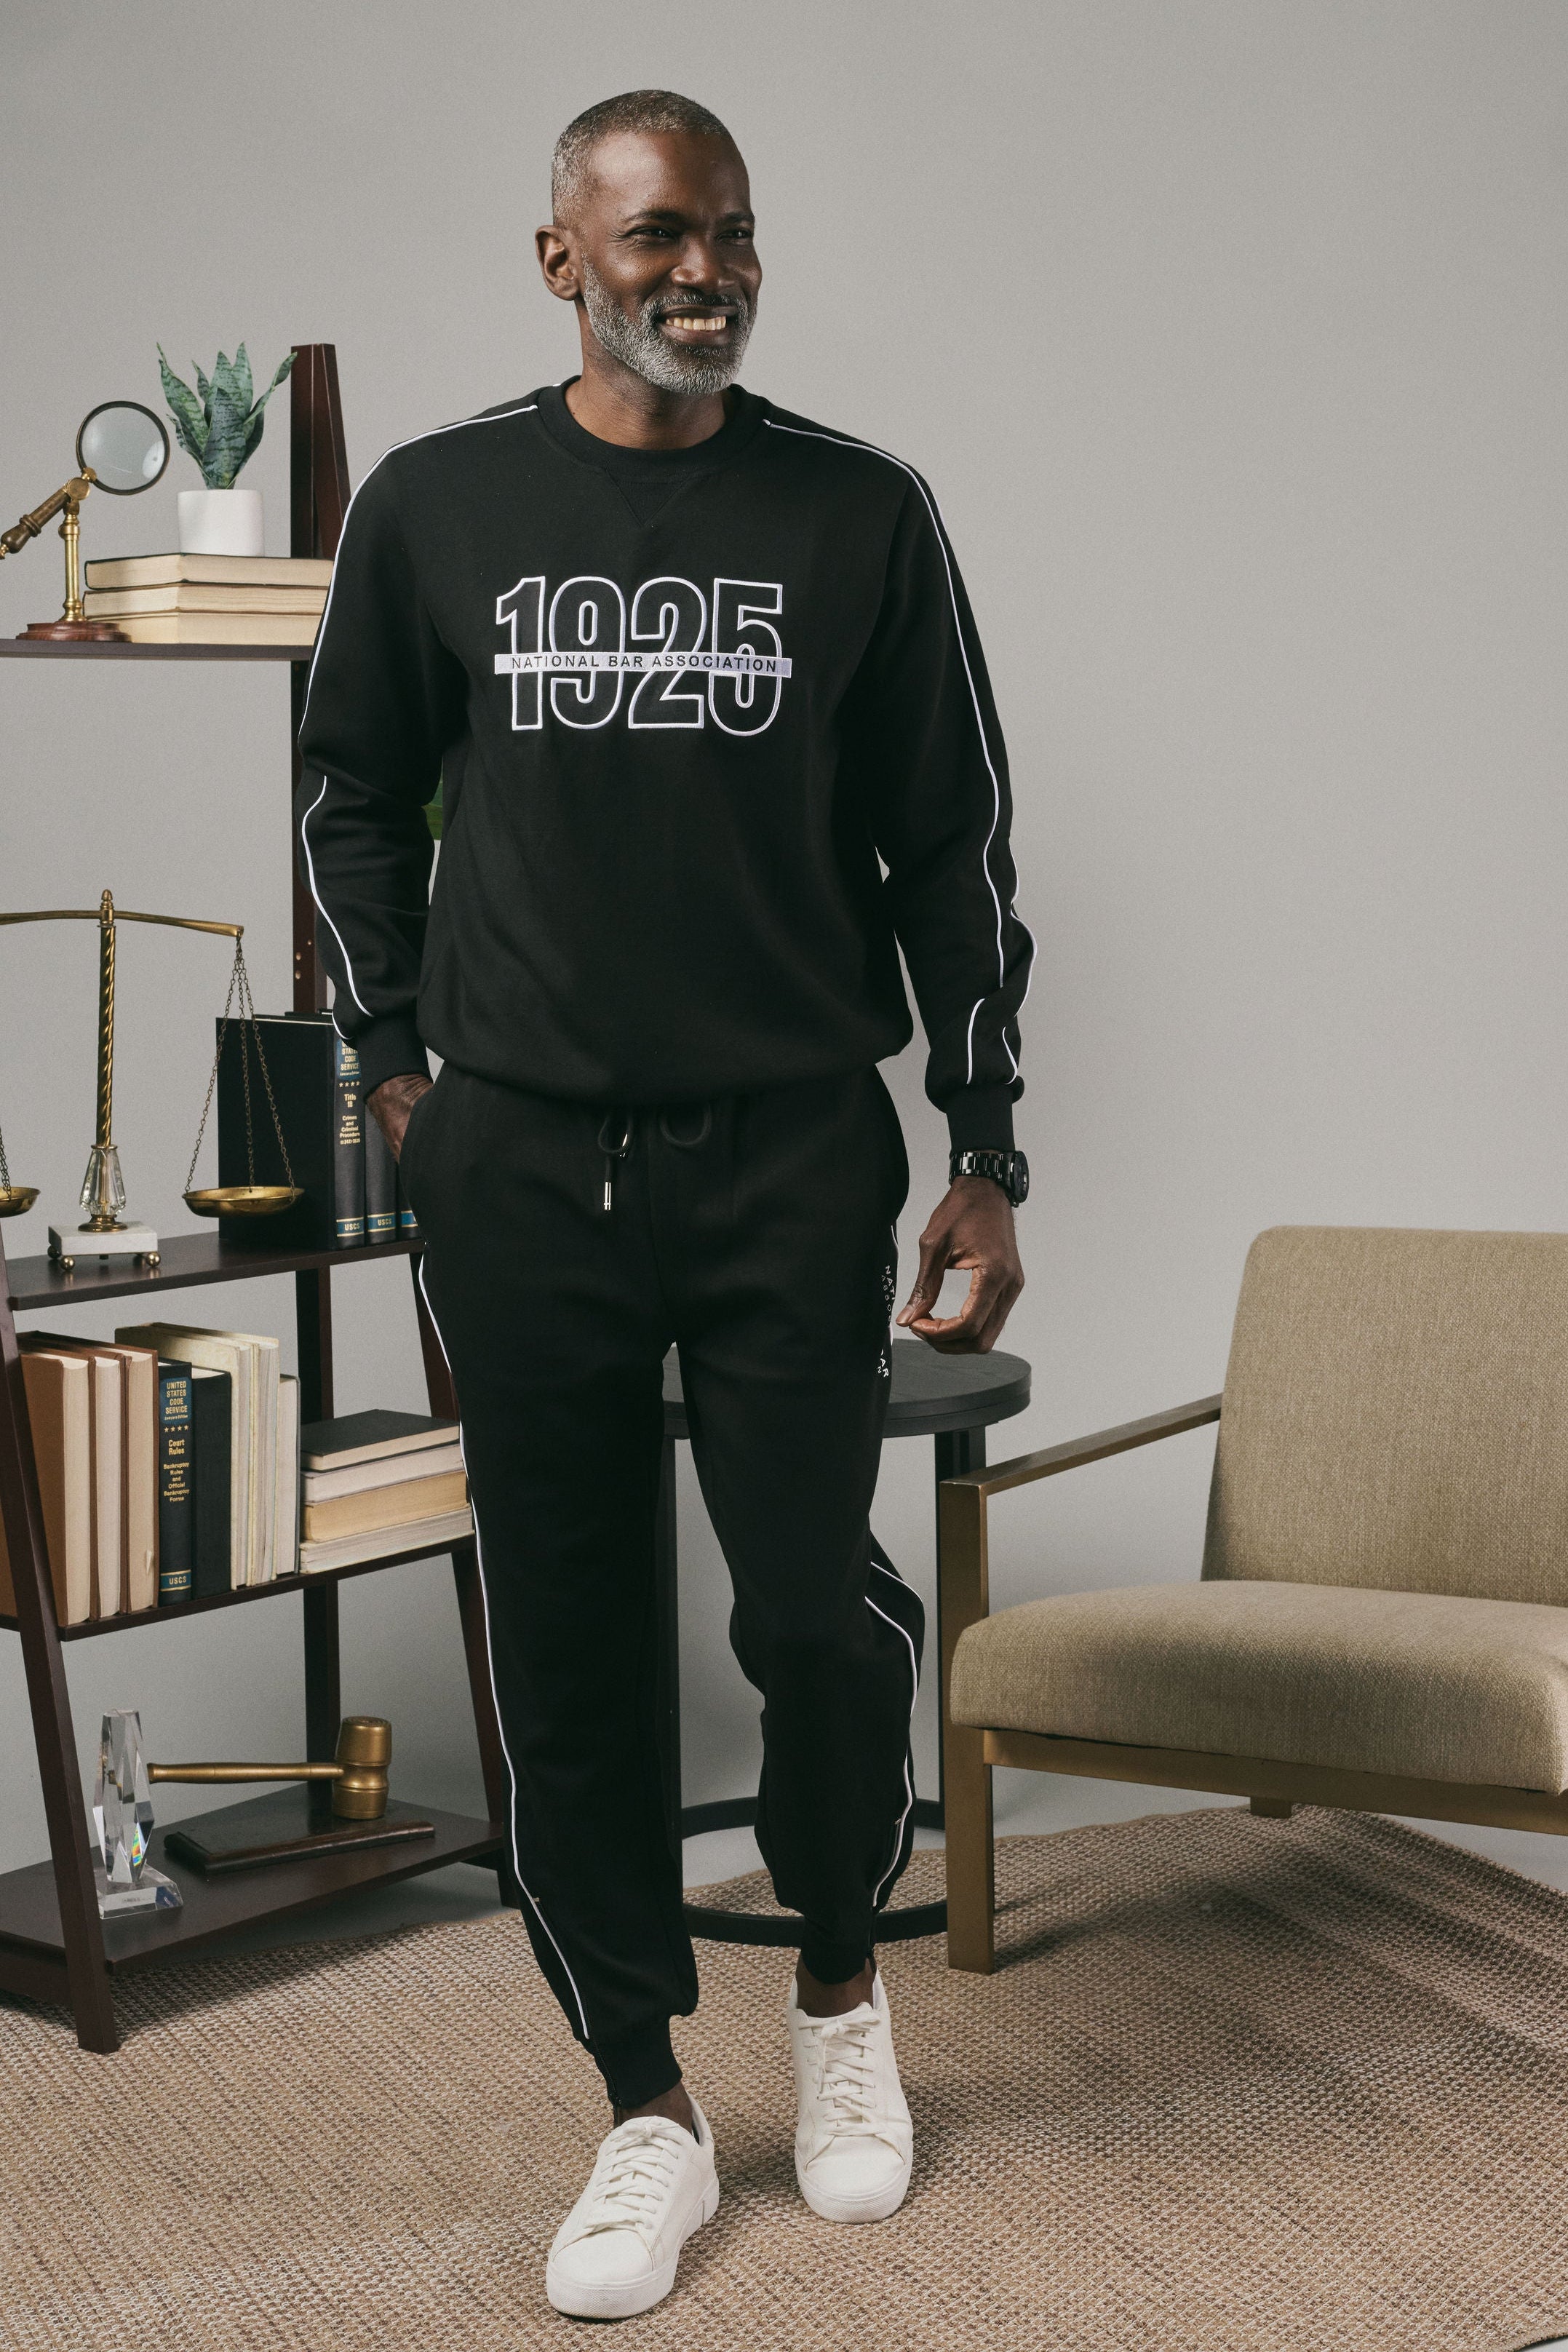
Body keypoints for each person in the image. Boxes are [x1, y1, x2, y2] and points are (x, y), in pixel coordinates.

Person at [295, 87, 1032, 2321]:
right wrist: (402, 1076)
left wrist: (986, 1146)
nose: (695, 271)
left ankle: (832, 1994)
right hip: (518, 1168)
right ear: (562, 262)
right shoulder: (435, 507)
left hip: (790, 1150)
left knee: (808, 1618)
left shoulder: (855, 515)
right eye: (649, 240)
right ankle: (635, 2098)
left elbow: (950, 849)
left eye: (726, 236)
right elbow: (351, 806)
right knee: (574, 1650)